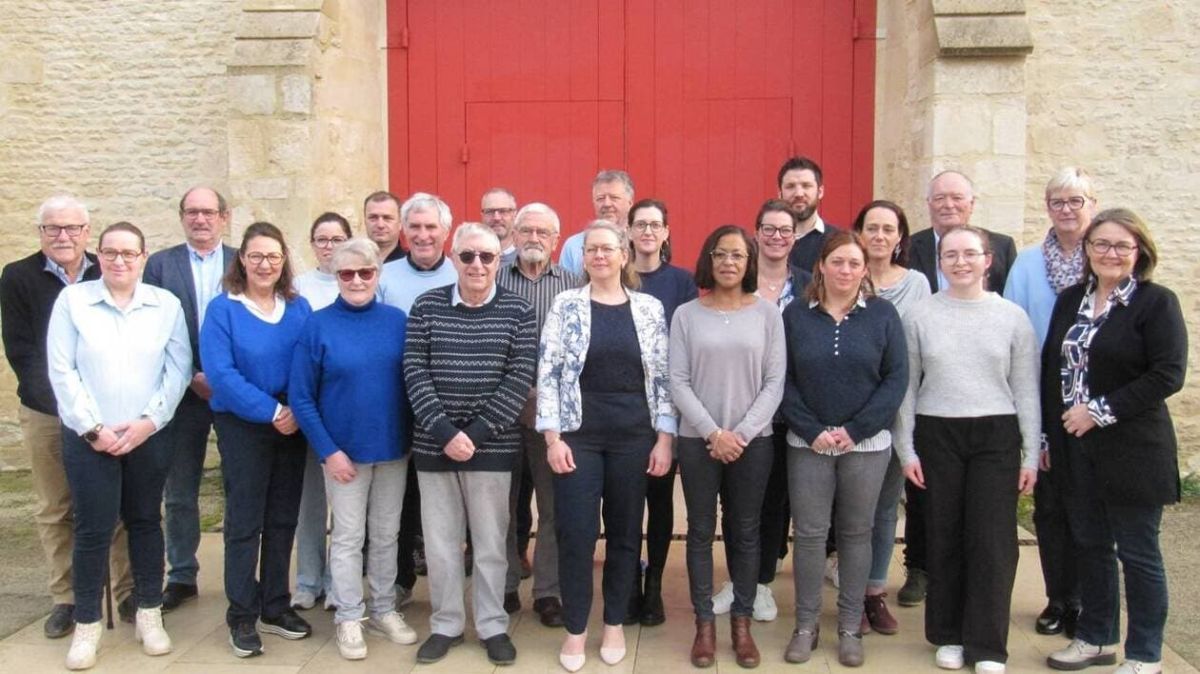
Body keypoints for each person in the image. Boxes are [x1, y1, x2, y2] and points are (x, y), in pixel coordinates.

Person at [1043, 209, 1186, 674]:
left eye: (1122, 245)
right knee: (1090, 545)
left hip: (1134, 449)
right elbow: (1052, 371)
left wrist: (1098, 411)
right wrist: (1047, 436)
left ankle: (1145, 654)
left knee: (1138, 554)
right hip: (1075, 448)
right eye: (1101, 244)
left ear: (1139, 251)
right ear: (1087, 250)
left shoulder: (1156, 303)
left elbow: (1168, 374)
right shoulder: (1071, 300)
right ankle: (1097, 638)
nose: (1111, 253)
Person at [895, 225, 1040, 674]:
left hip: (996, 435)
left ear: (987, 260)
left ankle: (988, 644)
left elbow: (1026, 388)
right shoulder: (919, 315)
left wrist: (1030, 454)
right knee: (945, 533)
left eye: (970, 254)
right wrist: (906, 449)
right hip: (938, 432)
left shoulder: (1012, 317)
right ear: (940, 262)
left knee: (992, 541)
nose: (960, 262)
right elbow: (907, 389)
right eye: (951, 255)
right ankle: (949, 634)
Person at [47, 221, 191, 670]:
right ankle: (87, 624)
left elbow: (178, 368)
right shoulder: (74, 302)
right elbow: (62, 371)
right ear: (99, 255)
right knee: (93, 528)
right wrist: (92, 428)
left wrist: (149, 422)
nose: (119, 261)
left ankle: (149, 613)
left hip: (147, 435)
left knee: (145, 521)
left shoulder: (164, 304)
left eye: (129, 253)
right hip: (90, 438)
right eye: (110, 252)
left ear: (143, 257)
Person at [537, 222, 675, 672]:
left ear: (623, 255)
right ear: (583, 258)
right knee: (576, 535)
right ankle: (576, 628)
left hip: (634, 436)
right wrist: (552, 437)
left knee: (625, 533)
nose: (599, 255)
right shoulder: (566, 304)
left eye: (607, 248)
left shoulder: (650, 309)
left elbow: (662, 376)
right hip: (578, 436)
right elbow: (548, 371)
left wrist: (665, 438)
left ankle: (614, 622)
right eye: (591, 249)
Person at [0, 195, 135, 638]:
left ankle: (126, 590)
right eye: (53, 228)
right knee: (56, 505)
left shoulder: (106, 269)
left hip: (106, 410)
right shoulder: (18, 277)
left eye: (72, 228)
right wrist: (72, 409)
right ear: (40, 232)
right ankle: (67, 597)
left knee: (114, 505)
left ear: (86, 232)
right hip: (47, 410)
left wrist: (97, 412)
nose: (63, 236)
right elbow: (23, 353)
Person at [403, 223, 537, 666]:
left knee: (491, 544)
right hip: (434, 446)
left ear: (499, 260)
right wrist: (445, 433)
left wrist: (473, 435)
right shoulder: (426, 306)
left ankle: (492, 625)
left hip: (492, 448)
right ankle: (446, 624)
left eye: (486, 256)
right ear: (453, 257)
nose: (477, 264)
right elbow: (414, 373)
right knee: (441, 545)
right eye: (467, 256)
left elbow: (518, 380)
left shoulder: (519, 311)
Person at [780, 231, 908, 668]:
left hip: (865, 445)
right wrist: (811, 429)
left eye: (854, 263)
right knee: (810, 535)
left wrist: (855, 429)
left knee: (856, 533)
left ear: (865, 269)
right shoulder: (796, 314)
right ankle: (806, 625)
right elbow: (783, 378)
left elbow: (895, 378)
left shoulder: (883, 315)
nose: (846, 270)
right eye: (837, 262)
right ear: (821, 265)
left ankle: (850, 626)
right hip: (807, 443)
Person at [289, 237, 418, 660]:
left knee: (386, 535)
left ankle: (383, 608)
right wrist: (329, 451)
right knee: (347, 538)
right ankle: (348, 615)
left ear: (377, 274)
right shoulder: (318, 325)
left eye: (366, 272)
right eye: (347, 273)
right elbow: (301, 396)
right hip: (343, 454)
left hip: (393, 449)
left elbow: (412, 381)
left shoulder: (396, 321)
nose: (357, 280)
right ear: (336, 276)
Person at [900, 169, 1019, 607]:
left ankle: (974, 588)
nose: (948, 205)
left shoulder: (1002, 246)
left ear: (972, 203)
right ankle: (919, 567)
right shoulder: (910, 246)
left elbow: (1003, 312)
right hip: (928, 379)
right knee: (927, 494)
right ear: (928, 204)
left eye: (957, 198)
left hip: (983, 387)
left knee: (983, 513)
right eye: (939, 198)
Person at [671, 225, 785, 669]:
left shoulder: (768, 315)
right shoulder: (686, 315)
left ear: (749, 262)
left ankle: (741, 622)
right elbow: (677, 380)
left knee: (746, 530)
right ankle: (704, 624)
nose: (729, 262)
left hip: (753, 443)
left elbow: (775, 382)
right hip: (698, 441)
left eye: (738, 255)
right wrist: (712, 433)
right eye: (721, 253)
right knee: (700, 531)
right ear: (709, 259)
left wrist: (741, 434)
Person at [200, 222, 314, 658]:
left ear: (284, 261)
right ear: (242, 261)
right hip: (244, 425)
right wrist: (271, 411)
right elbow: (221, 374)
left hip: (292, 425)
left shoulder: (298, 308)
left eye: (273, 256)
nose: (265, 264)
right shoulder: (223, 310)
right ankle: (242, 614)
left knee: (283, 518)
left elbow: (308, 362)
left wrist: (294, 410)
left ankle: (275, 605)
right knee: (245, 523)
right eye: (256, 256)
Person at [1003, 167, 1098, 638]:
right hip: (1042, 388)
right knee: (1051, 506)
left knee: (1090, 506)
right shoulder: (1026, 264)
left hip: (1095, 394)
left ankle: (1089, 602)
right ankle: (1058, 597)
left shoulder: (1104, 258)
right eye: (1058, 201)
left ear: (1092, 205)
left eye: (1076, 201)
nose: (1066, 210)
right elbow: (1012, 327)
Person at [712, 199, 814, 622]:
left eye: (785, 230)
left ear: (795, 236)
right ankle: (737, 580)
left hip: (792, 414)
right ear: (756, 234)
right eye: (768, 229)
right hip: (741, 417)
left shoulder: (810, 285)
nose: (776, 237)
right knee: (735, 505)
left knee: (773, 504)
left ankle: (762, 583)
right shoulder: (739, 284)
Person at [143, 186, 237, 614]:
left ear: (224, 217)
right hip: (181, 396)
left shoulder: (242, 261)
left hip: (232, 392)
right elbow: (152, 329)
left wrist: (222, 377)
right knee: (180, 491)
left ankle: (240, 571)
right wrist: (190, 375)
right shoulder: (160, 265)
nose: (200, 219)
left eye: (208, 212)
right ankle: (181, 574)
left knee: (239, 487)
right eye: (192, 212)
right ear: (182, 216)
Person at [495, 203, 584, 628]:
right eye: (526, 230)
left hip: (552, 418)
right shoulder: (493, 277)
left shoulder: (574, 285)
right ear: (513, 235)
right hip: (499, 412)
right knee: (501, 505)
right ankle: (505, 582)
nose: (533, 238)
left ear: (556, 239)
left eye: (542, 232)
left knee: (553, 506)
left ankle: (548, 591)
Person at [852, 199, 931, 634]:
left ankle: (874, 593)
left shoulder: (917, 284)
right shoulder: (846, 274)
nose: (879, 236)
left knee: (884, 508)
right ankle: (850, 595)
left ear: (900, 237)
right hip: (851, 409)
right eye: (872, 228)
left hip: (898, 408)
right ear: (859, 233)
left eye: (888, 229)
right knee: (851, 512)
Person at [378, 192, 458, 603]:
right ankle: (401, 579)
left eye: (431, 227)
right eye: (415, 227)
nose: (423, 235)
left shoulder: (462, 271)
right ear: (404, 231)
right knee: (401, 495)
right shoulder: (385, 276)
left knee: (446, 497)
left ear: (446, 231)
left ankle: (453, 585)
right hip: (396, 401)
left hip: (449, 406)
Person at [625, 198, 697, 626]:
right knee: (623, 499)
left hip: (664, 405)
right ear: (629, 231)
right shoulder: (618, 275)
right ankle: (628, 579)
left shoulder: (681, 282)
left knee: (659, 496)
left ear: (666, 232)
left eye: (655, 224)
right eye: (640, 224)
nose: (648, 231)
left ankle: (654, 585)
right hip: (620, 404)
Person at [290, 212, 352, 611]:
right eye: (322, 239)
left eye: (337, 239)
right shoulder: (298, 288)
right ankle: (308, 579)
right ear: (312, 244)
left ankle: (337, 583)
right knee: (309, 503)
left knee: (346, 507)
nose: (329, 246)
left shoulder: (359, 280)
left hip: (344, 411)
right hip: (310, 411)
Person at [557, 170, 635, 275]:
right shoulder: (573, 245)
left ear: (630, 202)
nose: (607, 204)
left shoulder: (639, 242)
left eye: (614, 198)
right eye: (600, 198)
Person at [777, 156, 835, 272]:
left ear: (820, 192)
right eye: (790, 186)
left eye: (806, 186)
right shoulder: (765, 242)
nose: (799, 193)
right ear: (780, 194)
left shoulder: (837, 240)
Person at [363, 191, 406, 263]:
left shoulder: (412, 265)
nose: (380, 225)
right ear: (365, 221)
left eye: (387, 218)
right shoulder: (352, 263)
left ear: (400, 223)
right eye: (373, 217)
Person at [481, 187, 520, 265]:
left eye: (503, 211)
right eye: (490, 211)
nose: (496, 218)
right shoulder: (468, 259)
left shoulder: (527, 260)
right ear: (482, 215)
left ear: (514, 214)